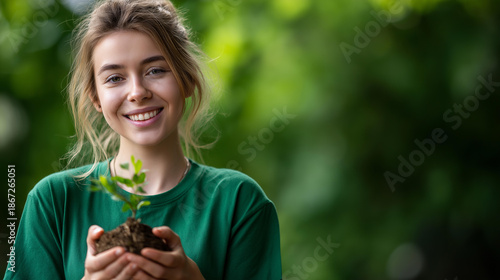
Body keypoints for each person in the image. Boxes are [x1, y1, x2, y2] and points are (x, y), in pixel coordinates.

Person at [3, 0, 282, 279]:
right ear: (95, 97)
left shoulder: (239, 202)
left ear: (186, 79)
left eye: (155, 70)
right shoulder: (54, 202)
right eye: (114, 78)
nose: (137, 92)